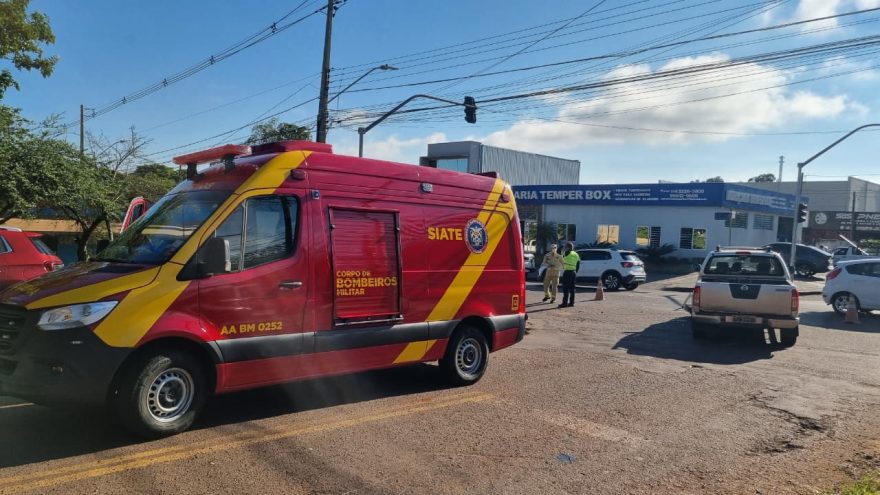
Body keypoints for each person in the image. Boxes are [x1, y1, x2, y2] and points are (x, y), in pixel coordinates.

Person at [559, 242, 580, 308]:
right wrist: (575, 271)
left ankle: (564, 303)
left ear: (567, 247)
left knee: (566, 289)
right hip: (573, 273)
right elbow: (578, 264)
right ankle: (571, 303)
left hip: (567, 272)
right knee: (572, 289)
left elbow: (559, 252)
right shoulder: (576, 254)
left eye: (566, 247)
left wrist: (562, 247)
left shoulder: (566, 253)